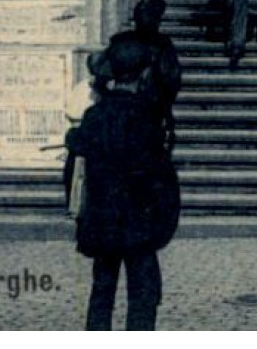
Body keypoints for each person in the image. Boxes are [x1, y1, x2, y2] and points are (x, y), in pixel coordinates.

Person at [68, 38, 180, 330]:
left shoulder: (95, 116)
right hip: (139, 224)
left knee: (101, 291)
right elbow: (161, 178)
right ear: (143, 74)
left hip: (103, 220)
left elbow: (76, 156)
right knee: (143, 295)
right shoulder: (147, 118)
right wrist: (162, 221)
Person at [106, 0, 184, 143]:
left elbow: (100, 69)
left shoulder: (121, 40)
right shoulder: (162, 44)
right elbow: (172, 80)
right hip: (150, 109)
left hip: (119, 108)